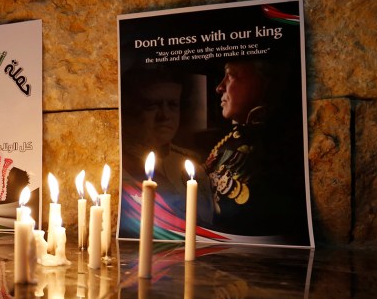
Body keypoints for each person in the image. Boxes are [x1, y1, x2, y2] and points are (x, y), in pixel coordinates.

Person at [204, 60, 308, 241]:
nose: (220, 88)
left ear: (264, 82)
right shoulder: (230, 139)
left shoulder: (278, 144)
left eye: (231, 76)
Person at [121, 69, 213, 226]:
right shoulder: (121, 165)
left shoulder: (192, 165)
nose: (165, 115)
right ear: (130, 111)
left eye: (173, 104)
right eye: (152, 105)